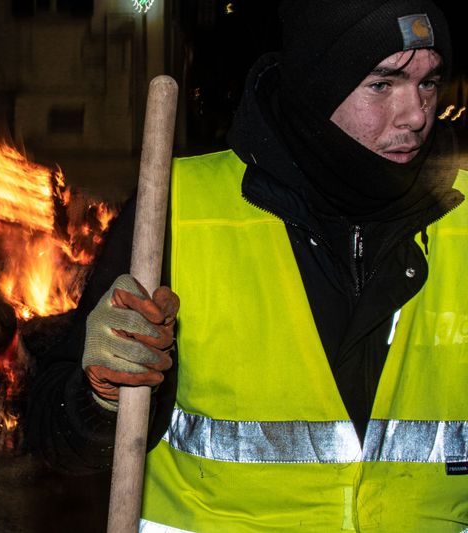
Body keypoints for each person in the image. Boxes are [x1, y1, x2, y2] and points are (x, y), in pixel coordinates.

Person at [27, 0, 468, 531]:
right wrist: (102, 394)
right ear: (317, 85)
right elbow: (56, 434)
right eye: (383, 84)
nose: (417, 113)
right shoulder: (177, 210)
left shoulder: (461, 217)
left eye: (428, 83)